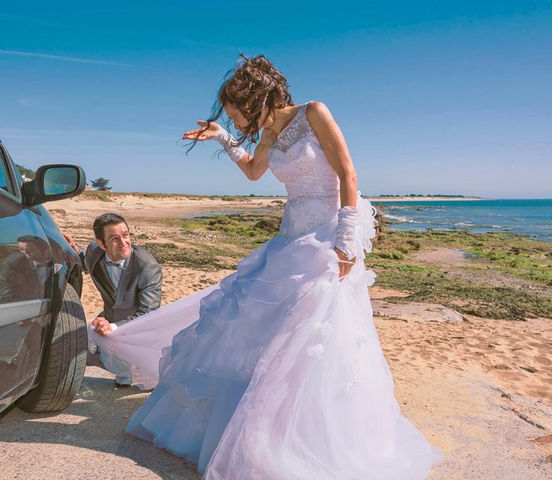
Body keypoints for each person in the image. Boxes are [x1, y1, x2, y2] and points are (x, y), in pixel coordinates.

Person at [96, 55, 442, 478]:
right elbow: (253, 173)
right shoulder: (267, 135)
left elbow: (348, 175)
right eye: (231, 118)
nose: (237, 120)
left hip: (327, 238)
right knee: (254, 326)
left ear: (255, 97)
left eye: (235, 113)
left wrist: (347, 242)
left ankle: (305, 432)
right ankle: (249, 424)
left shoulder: (313, 112)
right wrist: (223, 137)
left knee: (312, 335)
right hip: (289, 237)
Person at [65, 213, 162, 386]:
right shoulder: (94, 251)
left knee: (149, 380)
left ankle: (135, 371)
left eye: (125, 235)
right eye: (114, 239)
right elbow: (87, 264)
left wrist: (113, 327)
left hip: (139, 328)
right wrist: (75, 249)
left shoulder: (147, 267)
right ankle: (122, 370)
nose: (124, 243)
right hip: (110, 316)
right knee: (77, 344)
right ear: (101, 244)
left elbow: (148, 312)